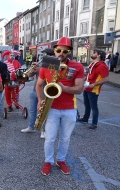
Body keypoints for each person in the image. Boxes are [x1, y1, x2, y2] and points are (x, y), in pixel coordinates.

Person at [36, 37, 84, 176]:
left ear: (69, 51)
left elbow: (80, 89)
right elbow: (39, 84)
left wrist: (64, 88)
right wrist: (40, 100)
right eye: (58, 50)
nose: (61, 53)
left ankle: (61, 160)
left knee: (65, 138)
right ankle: (48, 161)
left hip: (70, 107)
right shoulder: (48, 64)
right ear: (55, 50)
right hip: (51, 107)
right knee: (50, 138)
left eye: (65, 51)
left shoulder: (77, 66)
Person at [21, 48, 55, 138]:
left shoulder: (53, 64)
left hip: (45, 92)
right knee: (32, 111)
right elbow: (29, 75)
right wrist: (32, 69)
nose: (43, 56)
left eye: (45, 54)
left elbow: (52, 78)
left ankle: (44, 130)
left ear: (50, 55)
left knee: (43, 111)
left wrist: (40, 70)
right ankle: (31, 127)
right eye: (43, 54)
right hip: (35, 90)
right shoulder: (40, 64)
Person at [77, 49, 109, 129]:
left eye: (94, 53)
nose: (92, 54)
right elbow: (88, 74)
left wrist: (94, 84)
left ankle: (94, 123)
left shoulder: (102, 66)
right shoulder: (92, 64)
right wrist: (83, 79)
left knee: (94, 107)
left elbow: (106, 79)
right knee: (87, 105)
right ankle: (85, 119)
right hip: (87, 87)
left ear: (99, 55)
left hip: (93, 89)